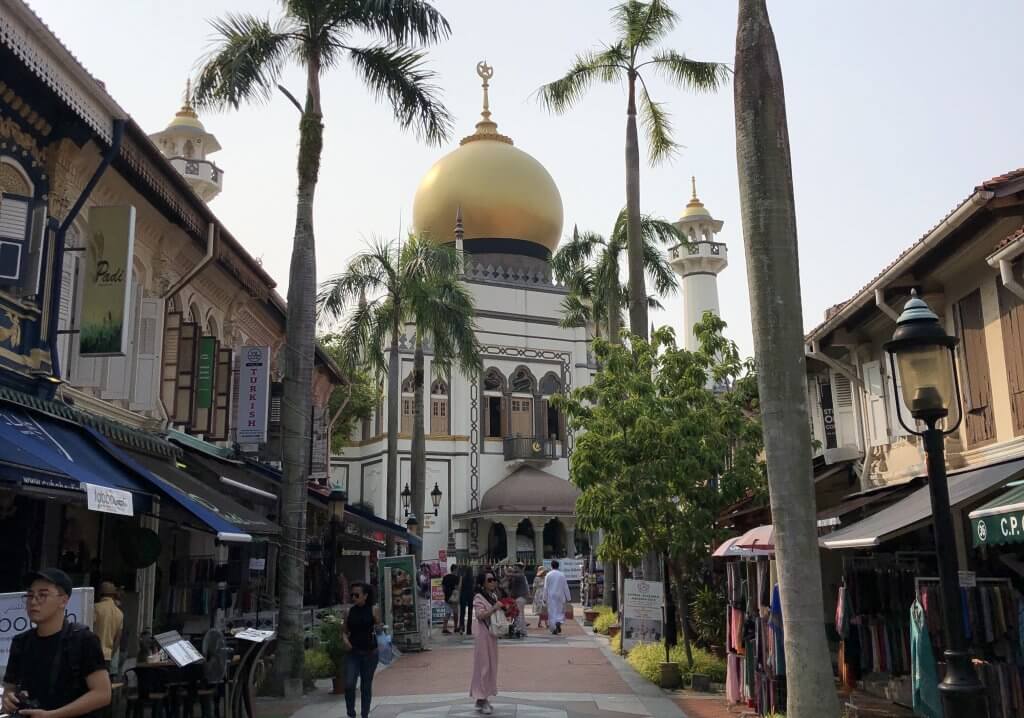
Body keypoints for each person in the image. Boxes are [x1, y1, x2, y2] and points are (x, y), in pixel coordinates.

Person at [2, 568, 110, 718]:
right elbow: (9, 688)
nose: (33, 601)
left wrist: (53, 715)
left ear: (63, 600)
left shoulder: (83, 639)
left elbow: (102, 693)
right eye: (30, 595)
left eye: (43, 595)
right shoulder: (21, 642)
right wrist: (9, 699)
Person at [342, 582, 380, 718]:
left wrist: (378, 624)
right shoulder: (348, 611)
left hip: (370, 653)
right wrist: (345, 640)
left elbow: (379, 629)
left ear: (365, 596)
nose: (354, 597)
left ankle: (365, 714)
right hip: (353, 652)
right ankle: (351, 713)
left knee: (366, 685)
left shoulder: (373, 609)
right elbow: (344, 631)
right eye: (352, 595)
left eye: (357, 595)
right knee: (349, 684)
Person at [470, 571, 505, 715]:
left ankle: (481, 697)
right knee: (483, 666)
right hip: (483, 635)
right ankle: (482, 698)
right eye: (489, 580)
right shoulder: (479, 597)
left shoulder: (493, 596)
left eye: (494, 579)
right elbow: (479, 615)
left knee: (491, 666)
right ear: (482, 583)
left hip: (492, 635)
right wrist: (494, 608)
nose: (493, 582)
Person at [93, 582, 123, 673]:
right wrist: (110, 654)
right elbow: (118, 639)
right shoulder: (119, 613)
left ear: (99, 593)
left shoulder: (95, 608)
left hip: (92, 655)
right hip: (107, 657)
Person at [544, 560, 571, 635]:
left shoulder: (548, 575)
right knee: (560, 611)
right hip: (560, 595)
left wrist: (544, 598)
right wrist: (568, 597)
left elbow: (545, 587)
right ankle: (558, 622)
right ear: (558, 566)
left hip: (551, 596)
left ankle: (553, 628)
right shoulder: (561, 575)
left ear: (551, 566)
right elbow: (565, 587)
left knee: (552, 612)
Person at [507, 564, 530, 637]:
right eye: (514, 568)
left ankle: (519, 629)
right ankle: (523, 631)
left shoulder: (521, 575)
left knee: (519, 614)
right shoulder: (515, 576)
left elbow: (512, 575)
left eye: (516, 568)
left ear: (520, 569)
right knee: (520, 615)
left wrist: (506, 572)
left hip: (521, 597)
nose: (514, 569)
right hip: (517, 597)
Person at [441, 565, 460, 635]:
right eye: (457, 569)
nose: (457, 571)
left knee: (447, 613)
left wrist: (446, 594)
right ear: (454, 569)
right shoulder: (456, 578)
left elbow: (443, 587)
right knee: (455, 613)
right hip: (454, 598)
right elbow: (457, 588)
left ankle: (444, 628)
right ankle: (455, 627)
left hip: (447, 598)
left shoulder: (445, 577)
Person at [458, 565, 475, 635]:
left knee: (462, 612)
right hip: (470, 595)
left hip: (463, 595)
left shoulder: (463, 578)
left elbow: (460, 586)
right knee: (470, 613)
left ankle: (461, 628)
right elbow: (473, 587)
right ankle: (469, 630)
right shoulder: (473, 579)